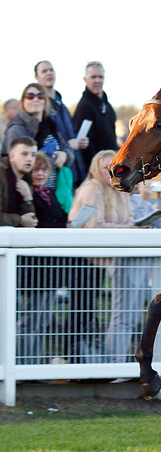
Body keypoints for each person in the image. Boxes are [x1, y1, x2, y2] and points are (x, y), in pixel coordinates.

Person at [68, 150, 135, 362]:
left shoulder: (119, 188)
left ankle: (91, 360)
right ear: (96, 169)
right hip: (84, 258)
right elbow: (94, 225)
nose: (109, 172)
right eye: (105, 168)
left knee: (93, 310)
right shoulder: (92, 188)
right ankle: (74, 360)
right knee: (82, 310)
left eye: (113, 167)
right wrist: (130, 229)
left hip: (106, 258)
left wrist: (132, 227)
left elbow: (131, 219)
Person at [16, 152, 68, 364]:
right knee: (29, 319)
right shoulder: (27, 196)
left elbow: (60, 218)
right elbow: (38, 222)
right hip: (34, 267)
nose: (40, 173)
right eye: (36, 169)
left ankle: (34, 365)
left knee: (42, 319)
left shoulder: (49, 192)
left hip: (51, 267)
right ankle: (22, 364)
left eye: (44, 169)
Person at [4, 83, 75, 211]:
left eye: (40, 96)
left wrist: (65, 155)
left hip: (54, 193)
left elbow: (68, 150)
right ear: (23, 101)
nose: (36, 99)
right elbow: (18, 164)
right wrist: (53, 159)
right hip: (30, 195)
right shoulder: (17, 128)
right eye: (30, 96)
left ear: (45, 101)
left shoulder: (50, 125)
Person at [34, 60, 89, 186]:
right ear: (37, 77)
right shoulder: (39, 107)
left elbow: (72, 133)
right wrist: (66, 145)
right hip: (55, 176)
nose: (49, 73)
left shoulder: (62, 105)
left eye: (51, 70)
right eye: (44, 71)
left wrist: (80, 141)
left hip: (73, 172)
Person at [73, 61, 118, 175]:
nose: (97, 80)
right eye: (93, 77)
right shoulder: (85, 107)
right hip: (97, 172)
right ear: (85, 79)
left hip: (111, 167)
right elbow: (85, 147)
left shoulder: (107, 106)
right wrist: (95, 172)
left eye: (100, 77)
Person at [1, 136, 38, 227]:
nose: (30, 159)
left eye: (33, 155)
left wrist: (28, 199)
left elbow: (30, 220)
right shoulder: (1, 175)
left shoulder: (27, 178)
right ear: (11, 156)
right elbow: (24, 220)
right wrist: (20, 220)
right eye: (24, 154)